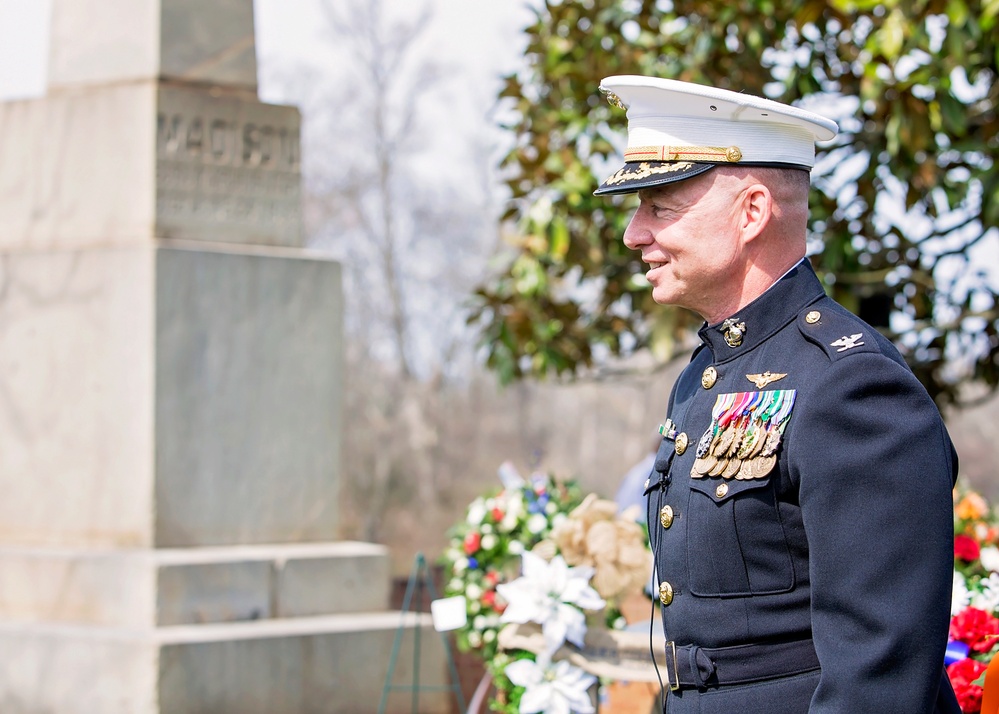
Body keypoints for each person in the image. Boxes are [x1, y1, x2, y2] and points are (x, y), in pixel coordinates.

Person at [593, 76, 960, 713]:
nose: (633, 234)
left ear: (753, 212)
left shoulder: (850, 385)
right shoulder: (708, 372)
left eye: (661, 207)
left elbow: (880, 677)